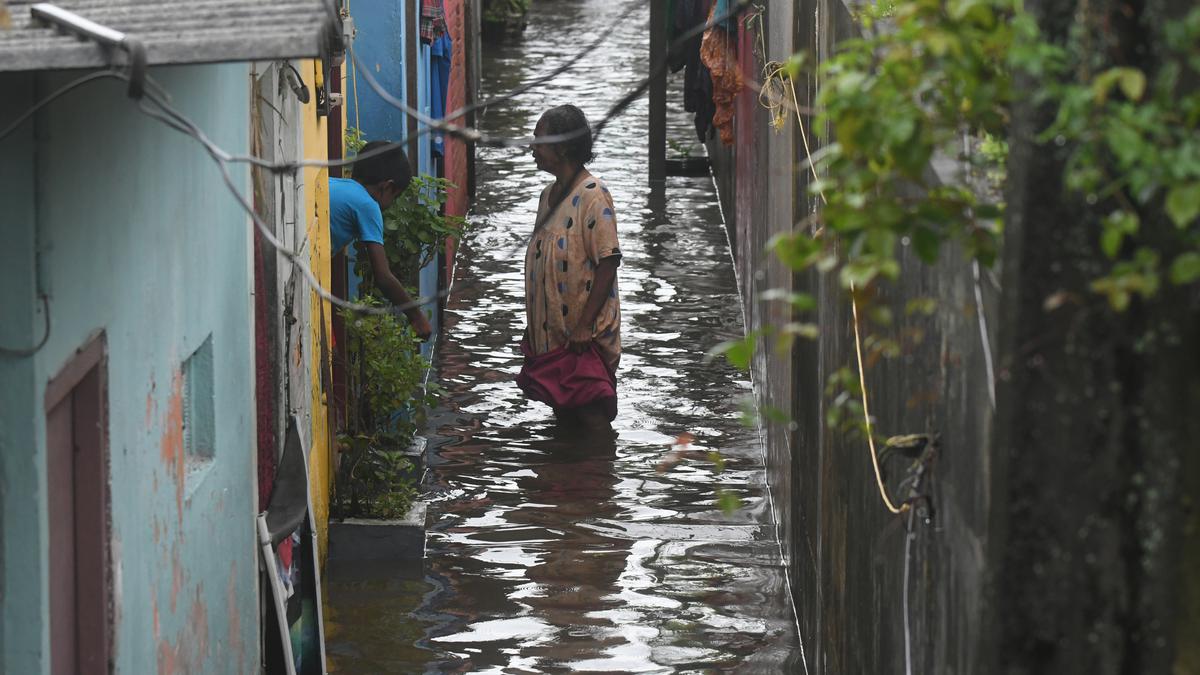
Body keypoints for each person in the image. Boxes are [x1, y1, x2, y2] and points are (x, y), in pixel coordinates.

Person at [520, 105, 622, 431]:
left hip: (582, 338)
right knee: (564, 418)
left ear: (562, 147)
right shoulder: (547, 196)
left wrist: (583, 325)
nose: (532, 148)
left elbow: (608, 261)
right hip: (553, 338)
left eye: (540, 141)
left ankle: (599, 477)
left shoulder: (594, 197)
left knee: (590, 419)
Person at [329, 141, 434, 340]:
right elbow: (383, 276)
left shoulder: (335, 184)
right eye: (396, 196)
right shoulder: (368, 205)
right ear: (388, 187)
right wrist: (417, 317)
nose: (392, 203)